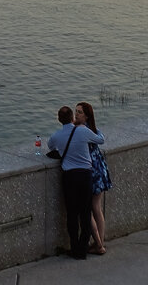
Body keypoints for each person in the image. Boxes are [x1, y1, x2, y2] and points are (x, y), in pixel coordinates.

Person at [48, 105, 106, 259]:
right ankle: (83, 249)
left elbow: (50, 146)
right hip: (86, 175)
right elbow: (101, 139)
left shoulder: (56, 136)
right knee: (85, 213)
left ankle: (74, 248)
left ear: (59, 119)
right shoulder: (82, 131)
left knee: (72, 214)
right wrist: (94, 127)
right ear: (72, 117)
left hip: (69, 177)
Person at [76, 102, 112, 255]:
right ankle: (100, 242)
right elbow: (101, 138)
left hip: (91, 171)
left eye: (79, 112)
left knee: (87, 209)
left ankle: (98, 243)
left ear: (86, 116)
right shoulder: (93, 129)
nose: (76, 114)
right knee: (97, 208)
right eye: (75, 111)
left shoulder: (82, 130)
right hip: (100, 168)